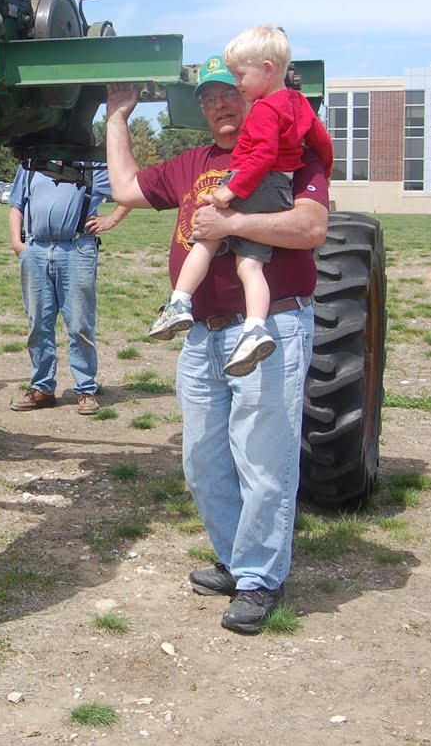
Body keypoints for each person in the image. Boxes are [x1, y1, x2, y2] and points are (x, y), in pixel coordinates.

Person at [105, 63, 328, 636]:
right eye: (209, 99)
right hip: (202, 333)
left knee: (262, 460)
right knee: (203, 460)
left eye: (230, 93)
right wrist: (118, 115)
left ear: (254, 94)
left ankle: (260, 578)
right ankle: (235, 560)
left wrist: (233, 222)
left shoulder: (290, 156)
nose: (221, 106)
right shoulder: (191, 164)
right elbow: (125, 188)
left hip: (268, 327)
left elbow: (309, 229)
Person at [148, 33, 334, 378]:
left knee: (207, 238)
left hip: (254, 182)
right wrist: (324, 167)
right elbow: (322, 141)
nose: (238, 84)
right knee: (250, 266)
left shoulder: (265, 108)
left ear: (267, 70)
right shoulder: (297, 103)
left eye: (238, 79)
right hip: (279, 187)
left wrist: (227, 193)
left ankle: (179, 303)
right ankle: (255, 328)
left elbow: (260, 157)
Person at [7, 160, 129, 415]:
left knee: (80, 325)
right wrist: (17, 244)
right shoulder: (31, 164)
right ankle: (42, 388)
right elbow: (16, 205)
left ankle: (85, 389)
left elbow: (130, 191)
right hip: (36, 250)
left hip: (77, 249)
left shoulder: (92, 165)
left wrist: (111, 220)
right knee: (37, 323)